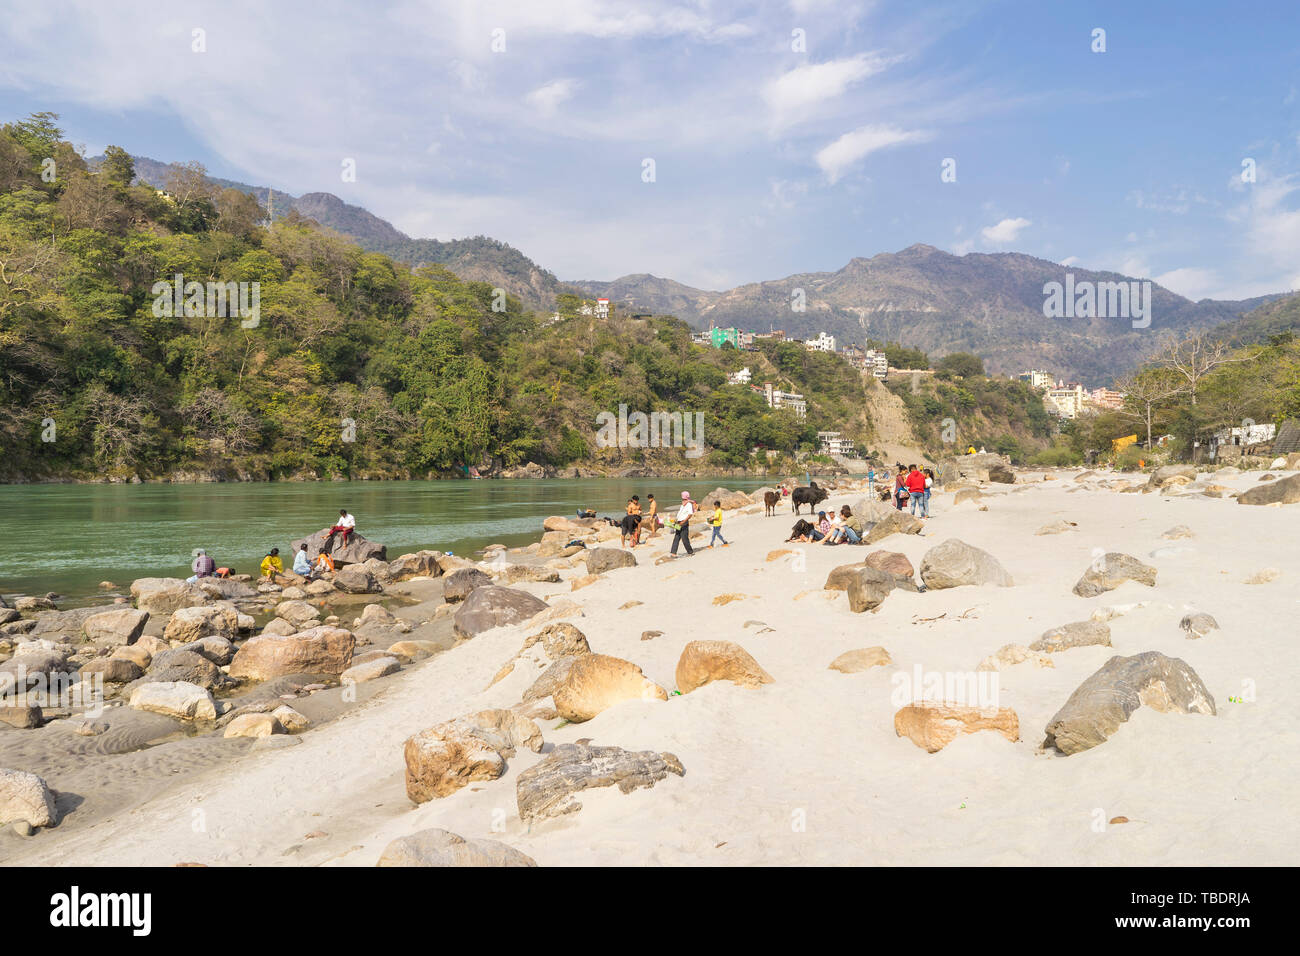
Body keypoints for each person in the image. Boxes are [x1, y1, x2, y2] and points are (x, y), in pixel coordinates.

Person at [669, 491, 696, 557]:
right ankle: (673, 553)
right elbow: (680, 513)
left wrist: (683, 522)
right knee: (677, 537)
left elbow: (690, 514)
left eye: (683, 498)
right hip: (679, 522)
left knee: (684, 538)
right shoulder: (683, 504)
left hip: (684, 523)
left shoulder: (689, 504)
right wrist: (676, 520)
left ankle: (690, 552)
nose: (682, 499)